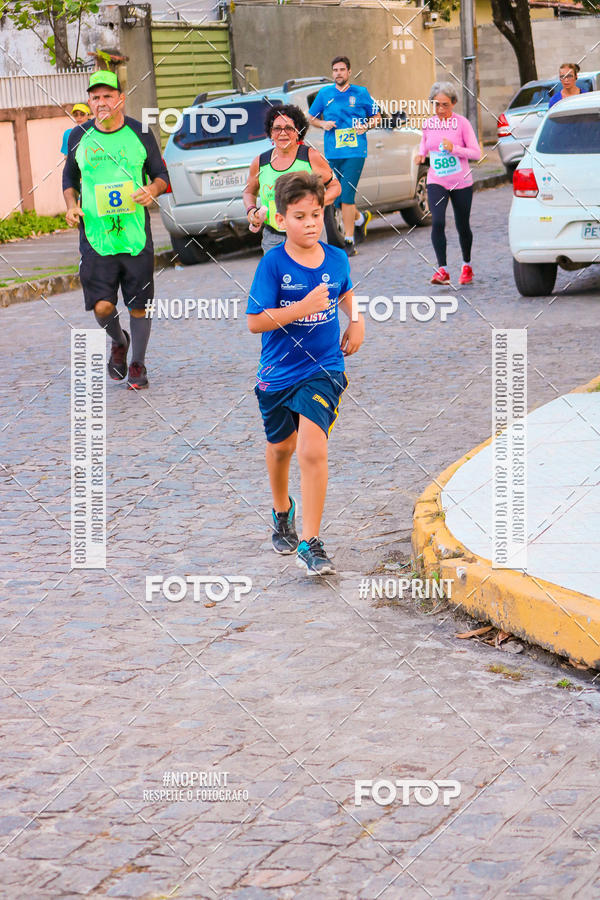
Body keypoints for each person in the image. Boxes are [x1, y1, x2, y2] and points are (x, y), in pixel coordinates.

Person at [246, 171, 364, 575]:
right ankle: (283, 511)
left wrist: (357, 320)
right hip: (277, 374)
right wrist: (301, 307)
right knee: (282, 448)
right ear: (281, 220)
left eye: (315, 214)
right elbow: (255, 322)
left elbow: (344, 289)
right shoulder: (273, 263)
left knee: (313, 449)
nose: (310, 223)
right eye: (299, 216)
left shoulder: (336, 257)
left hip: (324, 368)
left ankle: (311, 542)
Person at [63, 71, 169, 390]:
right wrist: (71, 205)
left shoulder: (141, 132)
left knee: (138, 304)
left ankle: (137, 364)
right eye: (95, 97)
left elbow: (161, 174)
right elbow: (69, 180)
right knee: (102, 306)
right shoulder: (78, 136)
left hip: (135, 235)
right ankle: (117, 339)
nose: (101, 102)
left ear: (120, 99)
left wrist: (152, 189)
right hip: (96, 237)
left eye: (108, 95)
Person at [243, 104, 340, 253]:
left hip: (310, 234)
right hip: (273, 239)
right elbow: (249, 192)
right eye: (277, 128)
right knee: (278, 276)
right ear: (270, 132)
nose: (283, 133)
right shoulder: (260, 162)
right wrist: (251, 211)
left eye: (289, 128)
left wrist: (317, 203)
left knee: (311, 276)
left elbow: (335, 187)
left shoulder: (311, 157)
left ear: (298, 132)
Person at [308, 56, 380, 256]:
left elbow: (377, 116)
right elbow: (311, 117)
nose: (338, 73)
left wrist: (366, 126)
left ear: (349, 72)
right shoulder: (324, 94)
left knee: (347, 194)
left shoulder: (361, 93)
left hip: (355, 152)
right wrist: (323, 124)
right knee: (337, 195)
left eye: (342, 69)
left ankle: (349, 240)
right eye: (335, 70)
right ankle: (359, 219)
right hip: (333, 152)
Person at [415, 81, 481, 286]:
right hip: (437, 180)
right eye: (436, 105)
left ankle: (466, 265)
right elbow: (424, 144)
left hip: (461, 182)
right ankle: (442, 270)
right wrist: (420, 155)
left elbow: (476, 153)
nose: (440, 109)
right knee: (438, 222)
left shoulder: (462, 124)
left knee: (462, 225)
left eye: (445, 104)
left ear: (453, 103)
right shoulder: (428, 124)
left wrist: (455, 149)